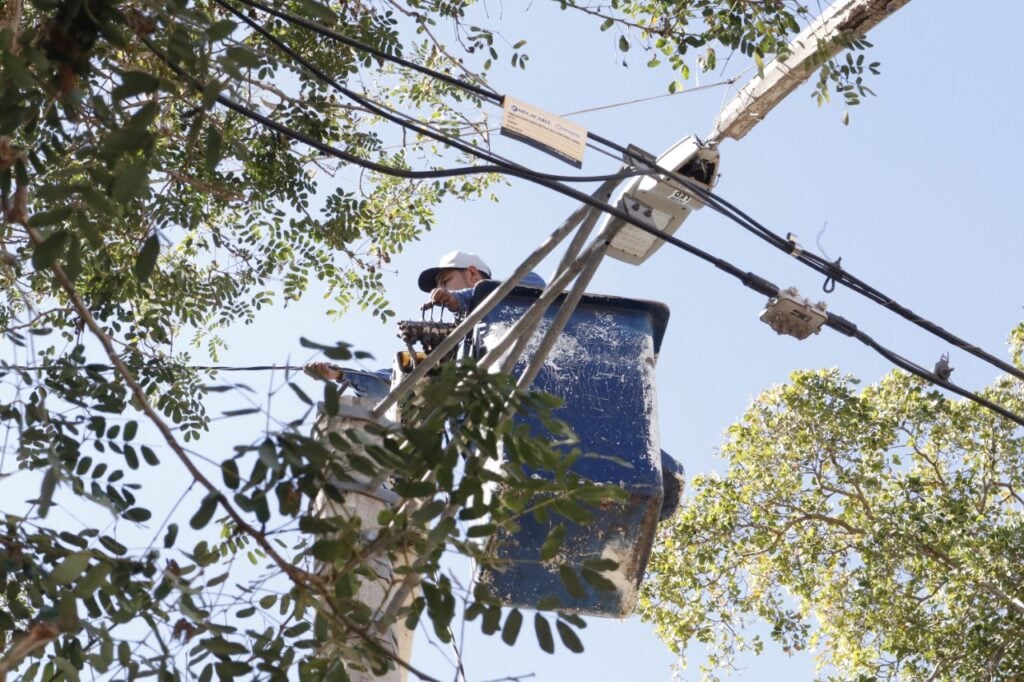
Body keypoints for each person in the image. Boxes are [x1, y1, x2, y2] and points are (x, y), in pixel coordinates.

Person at [419, 250, 545, 313]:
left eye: (445, 281)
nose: (440, 290)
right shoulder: (466, 338)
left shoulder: (526, 280)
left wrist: (458, 298)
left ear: (473, 274)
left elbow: (536, 287)